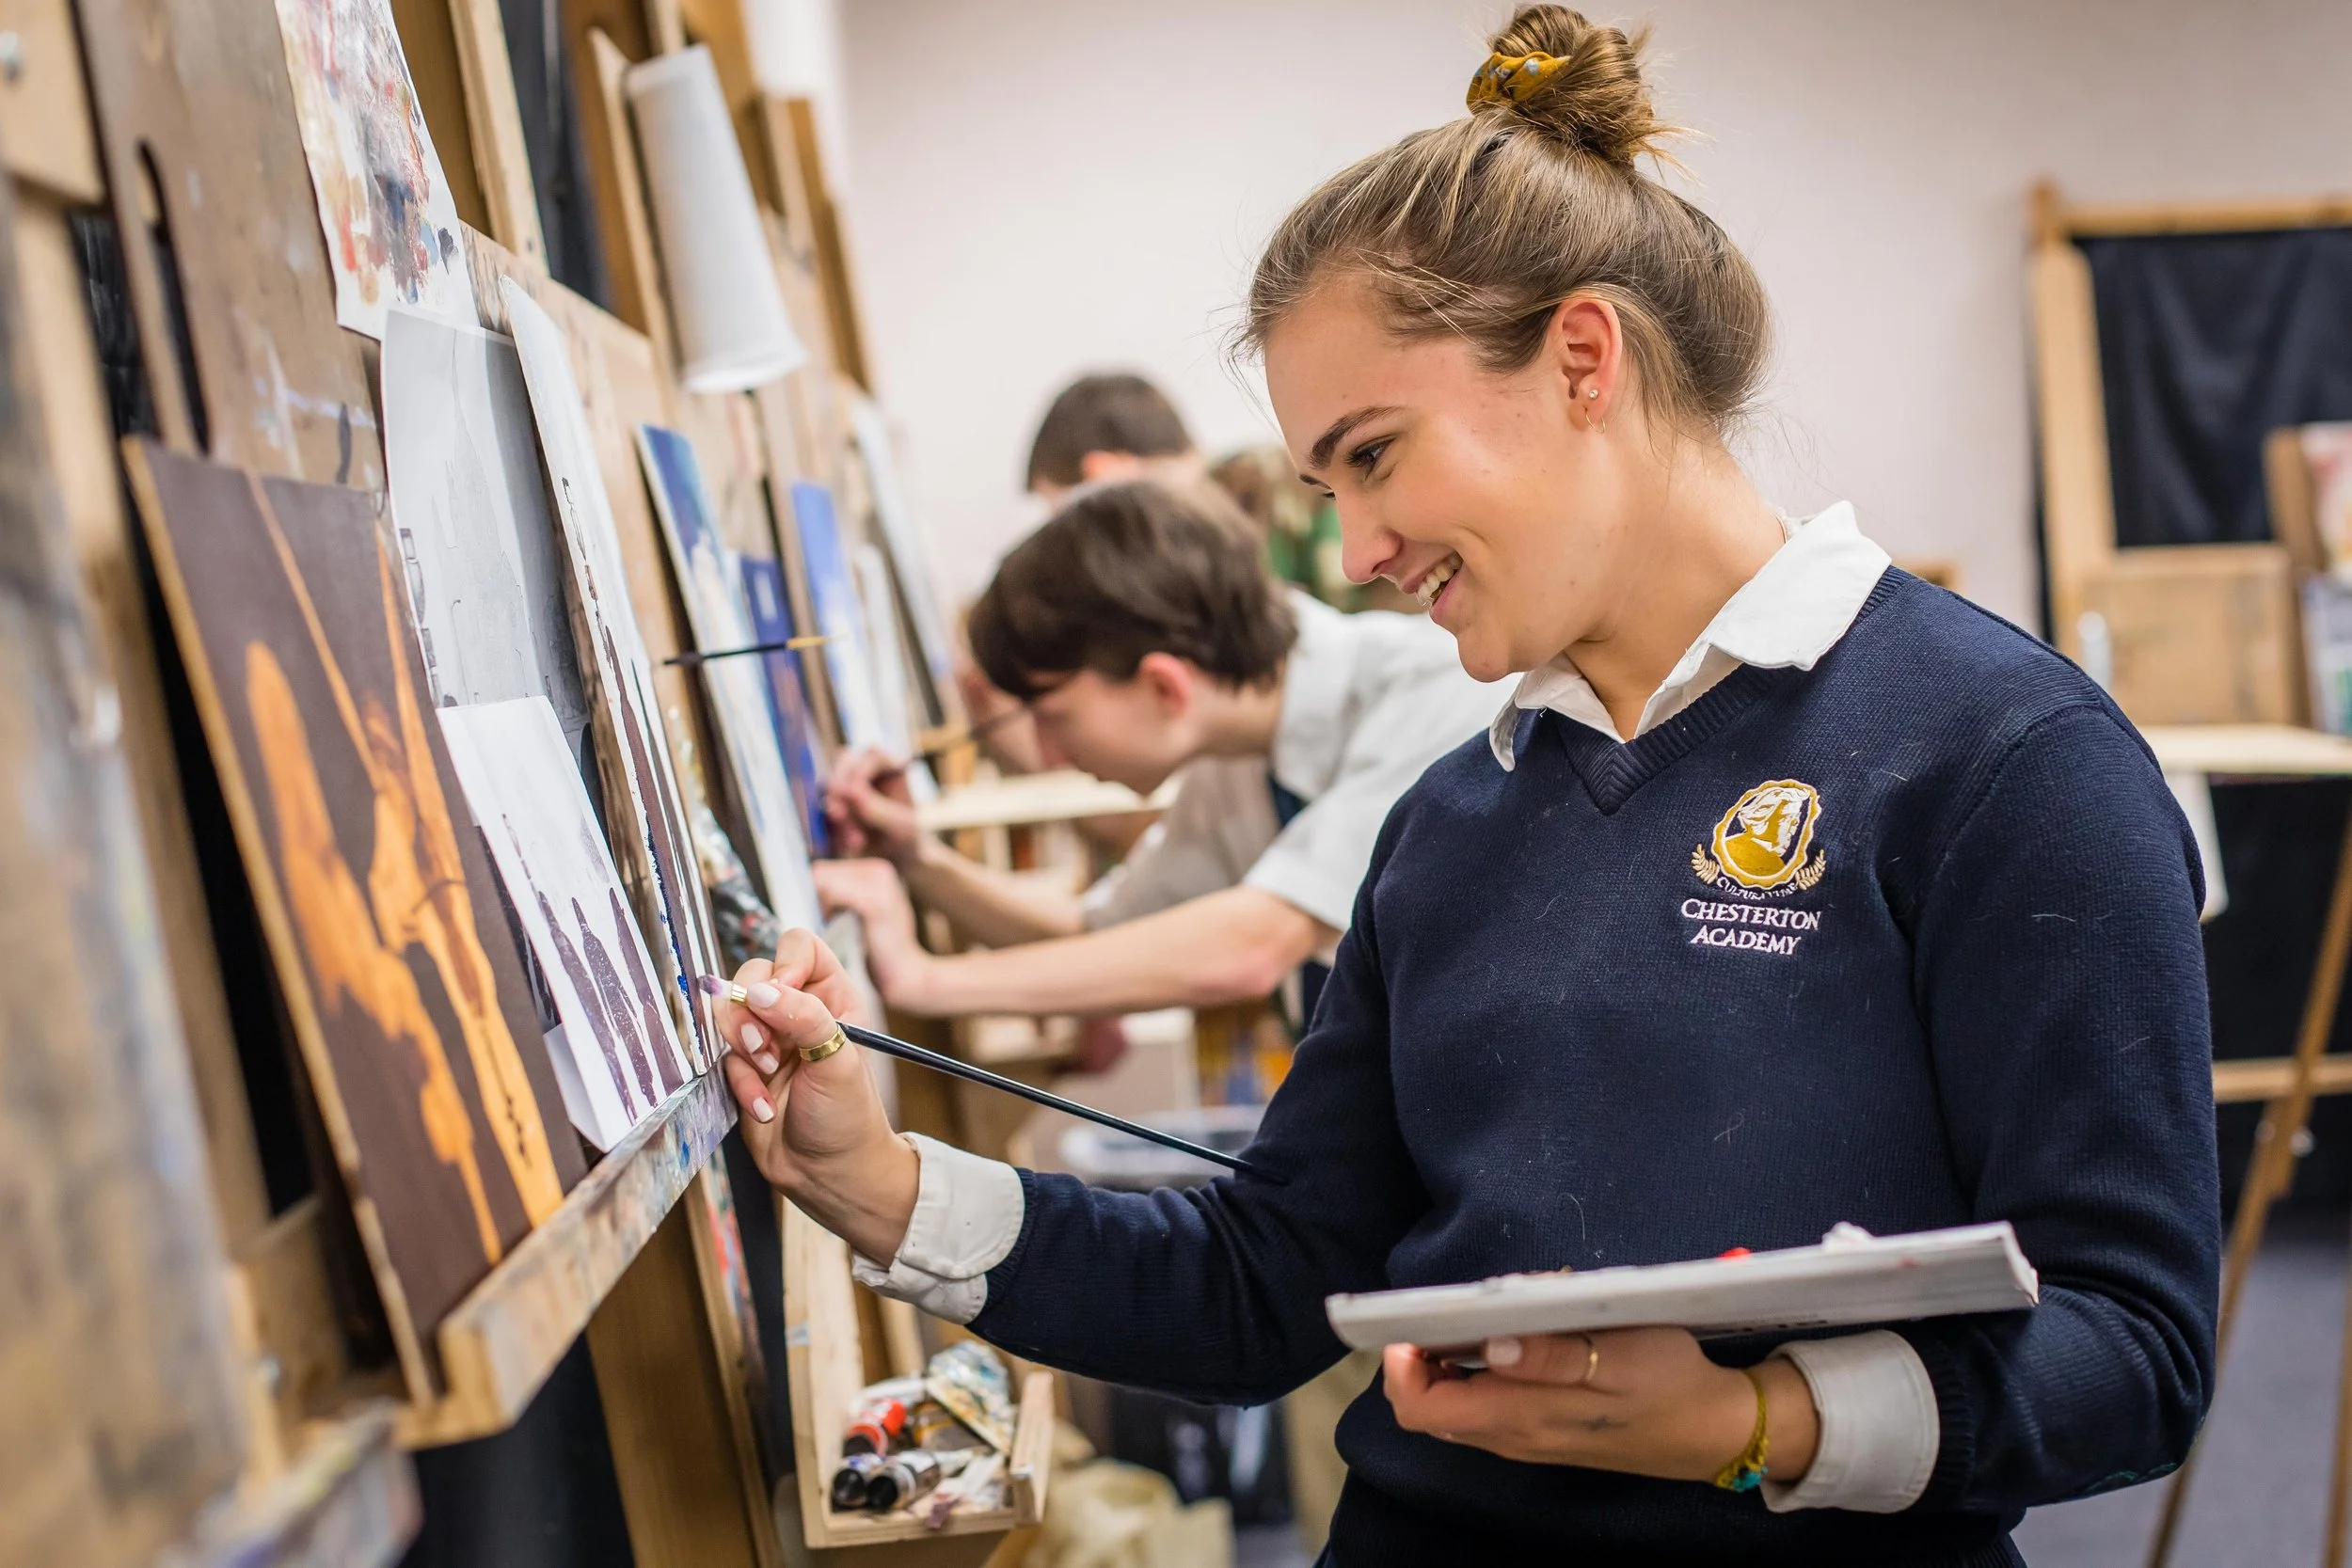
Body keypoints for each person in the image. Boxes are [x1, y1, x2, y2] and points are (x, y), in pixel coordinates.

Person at [715, 9, 2218, 1561]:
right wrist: (879, 1182)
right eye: (1326, 486)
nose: (1356, 550)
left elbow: (2135, 1346)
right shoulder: (1451, 823)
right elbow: (1266, 1274)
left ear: (1582, 359)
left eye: (1373, 456)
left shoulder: (2005, 760)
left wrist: (1754, 1418)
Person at [818, 477, 1507, 1023]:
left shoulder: (1439, 688)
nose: (1048, 756)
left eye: (1053, 717)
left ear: (1164, 686)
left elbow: (1257, 944)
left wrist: (924, 979)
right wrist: (918, 860)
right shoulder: (1235, 752)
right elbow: (1097, 935)